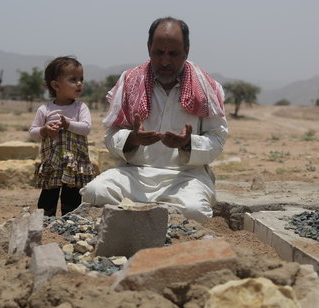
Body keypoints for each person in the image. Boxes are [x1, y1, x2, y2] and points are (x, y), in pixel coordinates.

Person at [80, 17, 228, 223]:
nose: (165, 61)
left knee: (195, 210)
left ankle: (140, 214)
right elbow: (111, 136)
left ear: (186, 51)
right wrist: (132, 139)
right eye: (159, 53)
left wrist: (188, 144)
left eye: (173, 54)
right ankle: (159, 215)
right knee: (94, 191)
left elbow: (217, 140)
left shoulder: (208, 88)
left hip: (184, 177)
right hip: (134, 174)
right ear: (149, 48)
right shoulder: (129, 81)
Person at [29, 56, 95, 217]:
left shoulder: (81, 107)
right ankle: (45, 220)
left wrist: (68, 125)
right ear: (56, 85)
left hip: (75, 161)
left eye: (81, 79)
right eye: (73, 79)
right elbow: (33, 132)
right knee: (48, 195)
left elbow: (86, 128)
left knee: (72, 195)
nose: (79, 83)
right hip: (52, 161)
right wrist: (44, 130)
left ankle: (70, 221)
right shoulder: (44, 109)